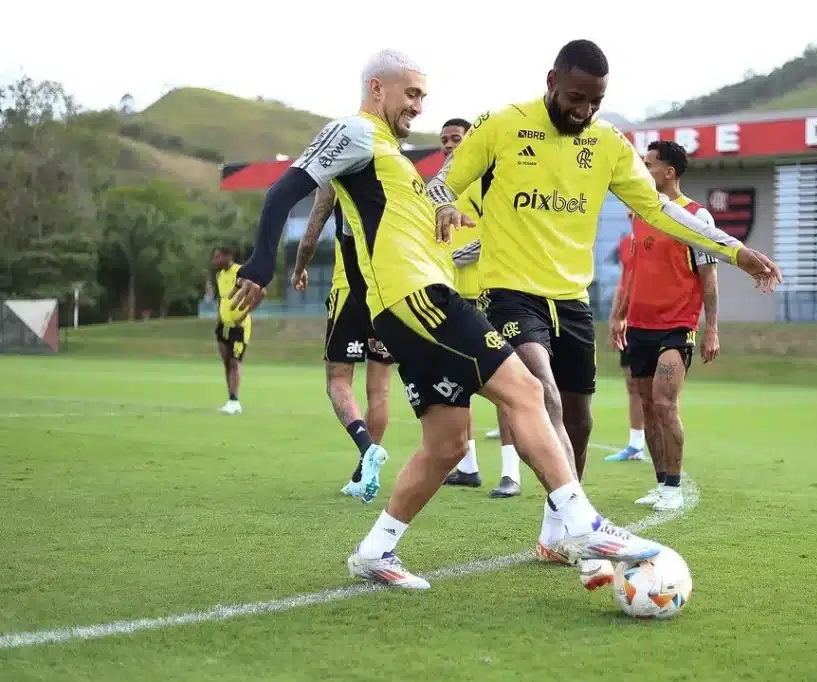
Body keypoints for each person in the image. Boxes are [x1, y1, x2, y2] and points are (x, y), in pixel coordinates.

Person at [229, 48, 668, 590]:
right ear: (376, 89)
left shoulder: (390, 153)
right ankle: (581, 523)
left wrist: (445, 218)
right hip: (420, 301)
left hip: (406, 306)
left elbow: (379, 232)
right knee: (527, 392)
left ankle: (375, 551)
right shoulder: (356, 131)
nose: (420, 105)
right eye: (410, 93)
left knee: (448, 442)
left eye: (423, 95)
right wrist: (260, 261)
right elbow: (284, 189)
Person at [427, 39, 781, 566]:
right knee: (540, 391)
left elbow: (659, 210)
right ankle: (583, 521)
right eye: (575, 97)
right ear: (551, 81)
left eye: (595, 101)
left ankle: (555, 533)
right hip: (508, 293)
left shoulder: (608, 144)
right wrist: (444, 207)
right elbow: (439, 184)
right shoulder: (501, 126)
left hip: (571, 299)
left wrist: (734, 251)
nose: (584, 110)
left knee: (580, 420)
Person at [610, 140, 721, 510]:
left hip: (677, 326)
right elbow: (634, 274)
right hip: (639, 326)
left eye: (649, 165)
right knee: (646, 404)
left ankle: (673, 489)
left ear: (668, 172)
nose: (643, 170)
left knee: (665, 402)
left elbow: (709, 278)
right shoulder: (641, 213)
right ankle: (661, 484)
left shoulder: (696, 216)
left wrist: (713, 329)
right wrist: (620, 315)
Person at [439, 117, 523, 499]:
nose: (449, 145)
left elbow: (495, 234)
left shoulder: (488, 180)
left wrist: (453, 257)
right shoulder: (441, 190)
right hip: (450, 299)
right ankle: (468, 465)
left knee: (505, 386)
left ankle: (511, 472)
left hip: (487, 296)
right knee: (457, 384)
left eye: (456, 138)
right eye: (444, 140)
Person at [292, 186, 393, 503]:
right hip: (386, 292)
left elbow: (313, 229)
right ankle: (363, 474)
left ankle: (368, 450)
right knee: (380, 389)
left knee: (337, 381)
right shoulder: (395, 170)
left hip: (349, 288)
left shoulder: (341, 170)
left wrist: (299, 267)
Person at [605, 228, 646, 462]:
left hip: (649, 320)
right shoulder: (626, 243)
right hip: (627, 320)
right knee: (632, 384)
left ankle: (658, 441)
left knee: (653, 387)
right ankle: (635, 444)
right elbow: (623, 282)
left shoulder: (655, 238)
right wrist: (615, 318)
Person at [212, 247, 251, 415]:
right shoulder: (219, 276)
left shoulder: (241, 272)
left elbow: (259, 293)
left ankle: (235, 401)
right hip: (223, 325)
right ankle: (231, 399)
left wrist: (242, 316)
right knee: (227, 363)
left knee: (235, 362)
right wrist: (219, 318)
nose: (215, 260)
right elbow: (222, 299)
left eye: (218, 257)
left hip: (239, 327)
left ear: (228, 256)